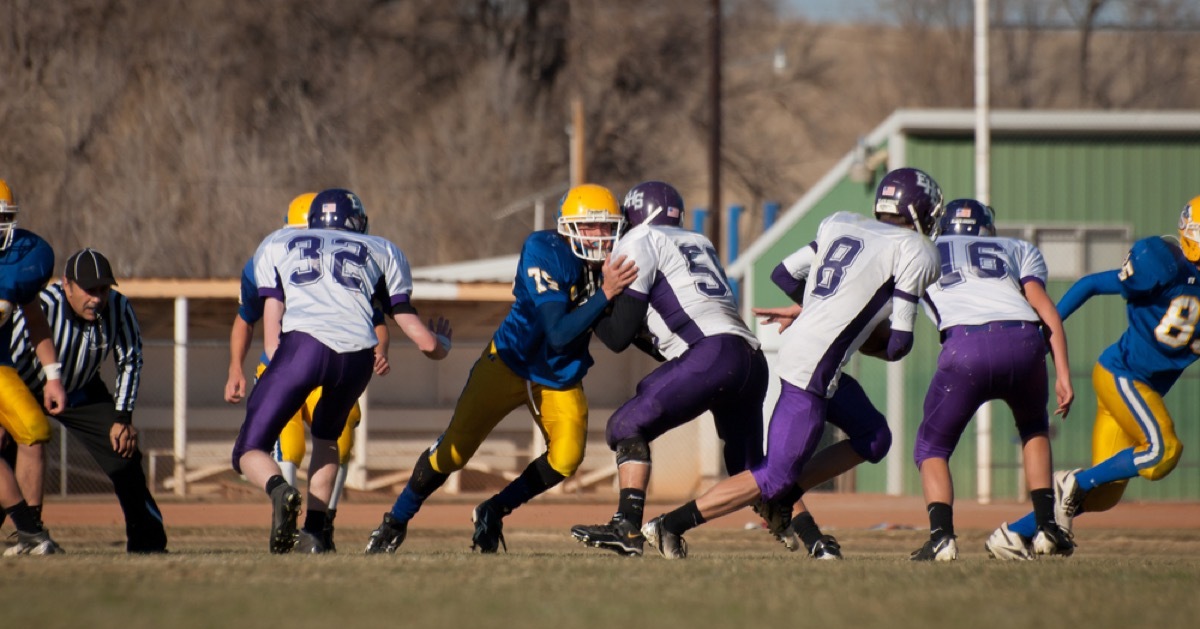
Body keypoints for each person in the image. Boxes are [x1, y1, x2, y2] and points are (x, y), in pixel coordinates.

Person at [640, 167, 943, 559]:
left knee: (874, 436)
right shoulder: (915, 249)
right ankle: (669, 524)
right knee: (773, 475)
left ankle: (785, 499)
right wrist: (851, 328)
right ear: (920, 211)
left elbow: (783, 274)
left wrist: (817, 311)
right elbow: (898, 344)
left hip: (807, 354)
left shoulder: (844, 223)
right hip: (814, 367)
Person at [364, 183, 637, 554]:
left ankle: (493, 510)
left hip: (559, 375)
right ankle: (395, 521)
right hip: (510, 361)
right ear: (567, 227)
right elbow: (558, 333)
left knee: (567, 458)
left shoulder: (619, 259)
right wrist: (605, 293)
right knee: (453, 453)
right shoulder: (544, 249)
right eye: (590, 226)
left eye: (607, 226)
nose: (600, 235)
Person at [233, 187, 451, 554]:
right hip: (356, 358)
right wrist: (441, 344)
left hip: (301, 349)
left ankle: (281, 491)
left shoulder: (278, 243)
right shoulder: (383, 249)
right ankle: (315, 533)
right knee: (327, 440)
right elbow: (424, 341)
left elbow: (272, 330)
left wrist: (281, 370)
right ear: (357, 221)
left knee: (249, 449)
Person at [987, 195, 1200, 558]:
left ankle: (1012, 534)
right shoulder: (1164, 265)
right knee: (1163, 451)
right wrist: (1044, 335)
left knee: (1102, 496)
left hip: (1139, 390)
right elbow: (1090, 284)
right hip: (1123, 376)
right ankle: (1073, 480)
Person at [569, 180, 768, 557]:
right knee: (754, 471)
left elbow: (617, 336)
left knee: (625, 425)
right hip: (751, 358)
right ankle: (813, 538)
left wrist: (594, 302)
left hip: (711, 354)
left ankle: (627, 526)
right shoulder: (700, 242)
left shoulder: (639, 240)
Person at [905, 199, 1074, 562]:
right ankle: (1047, 528)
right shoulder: (1016, 247)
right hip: (1025, 341)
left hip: (965, 345)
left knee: (931, 448)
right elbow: (1046, 310)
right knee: (1034, 428)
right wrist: (1063, 372)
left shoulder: (919, 249)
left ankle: (942, 538)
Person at [224, 192, 391, 552]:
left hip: (304, 359)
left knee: (335, 439)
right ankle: (295, 524)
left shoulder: (335, 259)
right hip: (299, 362)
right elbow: (246, 317)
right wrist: (235, 366)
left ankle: (315, 522)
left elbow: (376, 319)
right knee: (296, 445)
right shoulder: (270, 258)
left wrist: (381, 348)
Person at [3, 247, 167, 553]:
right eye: (89, 290)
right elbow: (7, 358)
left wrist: (123, 418)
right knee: (5, 455)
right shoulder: (43, 304)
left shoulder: (118, 307)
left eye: (103, 290)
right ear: (67, 285)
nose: (97, 298)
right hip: (25, 387)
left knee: (124, 452)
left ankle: (147, 542)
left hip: (80, 389)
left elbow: (130, 361)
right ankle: (30, 535)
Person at [0, 178, 67, 555]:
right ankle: (29, 532)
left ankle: (30, 533)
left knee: (34, 430)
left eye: (4, 218)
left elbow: (36, 320)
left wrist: (52, 376)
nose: (1, 227)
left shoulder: (21, 262)